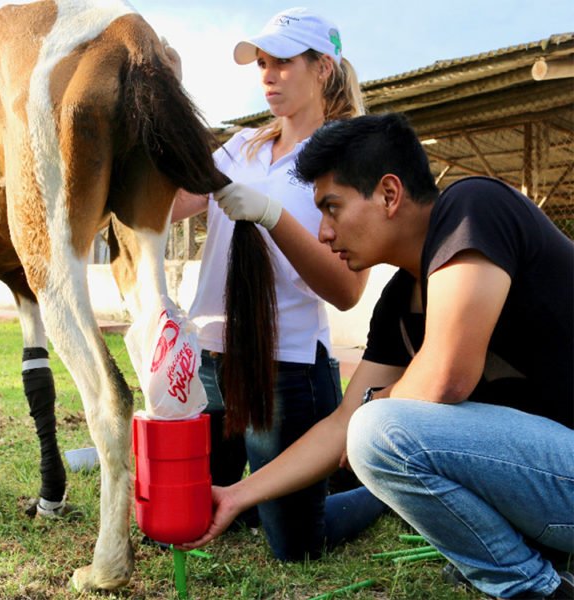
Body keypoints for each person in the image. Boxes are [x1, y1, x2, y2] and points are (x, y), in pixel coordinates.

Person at [183, 113, 574, 600]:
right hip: (549, 490)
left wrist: (374, 408)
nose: (324, 233)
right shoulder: (399, 300)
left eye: (332, 208)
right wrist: (236, 497)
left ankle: (536, 589)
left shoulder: (475, 206)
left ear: (390, 194)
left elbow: (446, 376)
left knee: (379, 429)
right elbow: (341, 422)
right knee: (371, 424)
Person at [172, 7, 386, 561]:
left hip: (284, 367)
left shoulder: (346, 159)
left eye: (283, 63)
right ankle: (278, 491)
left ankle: (381, 493)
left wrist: (272, 215)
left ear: (323, 69)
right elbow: (172, 206)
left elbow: (346, 291)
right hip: (211, 360)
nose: (267, 75)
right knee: (186, 515)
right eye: (262, 63)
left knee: (295, 544)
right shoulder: (239, 146)